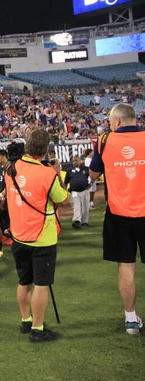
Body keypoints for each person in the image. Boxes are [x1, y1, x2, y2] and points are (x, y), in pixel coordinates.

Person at [3, 129, 67, 342]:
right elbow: (62, 198)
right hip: (42, 237)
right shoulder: (47, 173)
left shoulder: (10, 168)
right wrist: (56, 172)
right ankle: (38, 330)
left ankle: (26, 321)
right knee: (41, 284)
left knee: (24, 281)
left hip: (18, 235)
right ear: (46, 150)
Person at [89, 103, 145, 335]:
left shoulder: (104, 141)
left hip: (119, 213)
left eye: (111, 122)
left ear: (118, 122)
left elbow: (92, 176)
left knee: (126, 265)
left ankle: (131, 320)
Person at [64, 156, 91, 229]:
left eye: (77, 161)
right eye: (74, 161)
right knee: (76, 206)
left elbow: (92, 177)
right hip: (74, 191)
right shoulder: (69, 171)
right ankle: (77, 221)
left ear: (80, 161)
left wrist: (91, 184)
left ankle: (85, 221)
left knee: (85, 207)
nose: (75, 162)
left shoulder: (86, 169)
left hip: (84, 190)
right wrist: (64, 191)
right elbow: (66, 182)